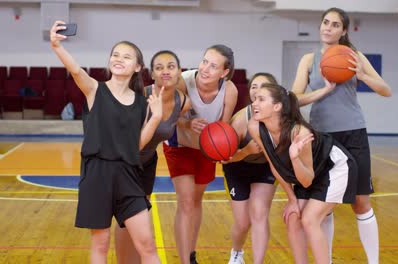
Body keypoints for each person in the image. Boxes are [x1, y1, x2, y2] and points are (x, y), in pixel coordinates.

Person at [50, 21, 162, 264]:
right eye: (115, 55)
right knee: (100, 246)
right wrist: (56, 46)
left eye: (127, 56)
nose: (119, 59)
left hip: (129, 176)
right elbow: (76, 70)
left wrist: (157, 117)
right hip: (96, 174)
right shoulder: (94, 89)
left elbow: (136, 146)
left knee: (148, 245)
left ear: (137, 67)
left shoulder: (142, 103)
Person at [291, 7, 392, 264]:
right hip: (322, 137)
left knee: (361, 203)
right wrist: (322, 92)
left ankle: (374, 261)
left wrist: (361, 74)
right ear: (320, 25)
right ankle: (328, 259)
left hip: (353, 133)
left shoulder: (353, 56)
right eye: (325, 22)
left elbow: (385, 90)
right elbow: (294, 100)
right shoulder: (308, 59)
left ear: (343, 30)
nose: (328, 28)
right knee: (325, 204)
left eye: (335, 25)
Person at [248, 83, 358, 264]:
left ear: (277, 106)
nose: (254, 103)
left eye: (261, 99)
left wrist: (294, 158)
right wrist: (292, 199)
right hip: (312, 172)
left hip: (335, 167)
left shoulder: (299, 132)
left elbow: (306, 181)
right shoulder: (255, 126)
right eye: (255, 99)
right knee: (292, 218)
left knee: (309, 219)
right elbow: (274, 165)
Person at [163, 44, 238, 264]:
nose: (205, 68)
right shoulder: (183, 81)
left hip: (206, 149)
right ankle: (186, 260)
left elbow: (223, 128)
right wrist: (187, 124)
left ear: (224, 72)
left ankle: (191, 252)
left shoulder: (229, 90)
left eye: (213, 66)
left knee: (196, 201)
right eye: (204, 61)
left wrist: (223, 149)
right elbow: (166, 114)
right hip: (179, 144)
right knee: (185, 201)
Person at [114, 50, 191, 264]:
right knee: (125, 218)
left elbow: (182, 120)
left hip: (147, 162)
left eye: (170, 66)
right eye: (159, 67)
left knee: (136, 214)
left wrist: (190, 122)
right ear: (152, 75)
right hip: (124, 162)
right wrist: (155, 118)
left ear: (179, 73)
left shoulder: (182, 101)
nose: (165, 71)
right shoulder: (139, 98)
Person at [221, 73, 278, 264]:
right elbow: (226, 159)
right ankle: (237, 253)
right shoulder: (239, 121)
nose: (257, 89)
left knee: (260, 213)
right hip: (237, 166)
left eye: (263, 86)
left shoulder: (282, 119)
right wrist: (245, 151)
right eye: (254, 86)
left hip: (264, 167)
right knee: (243, 222)